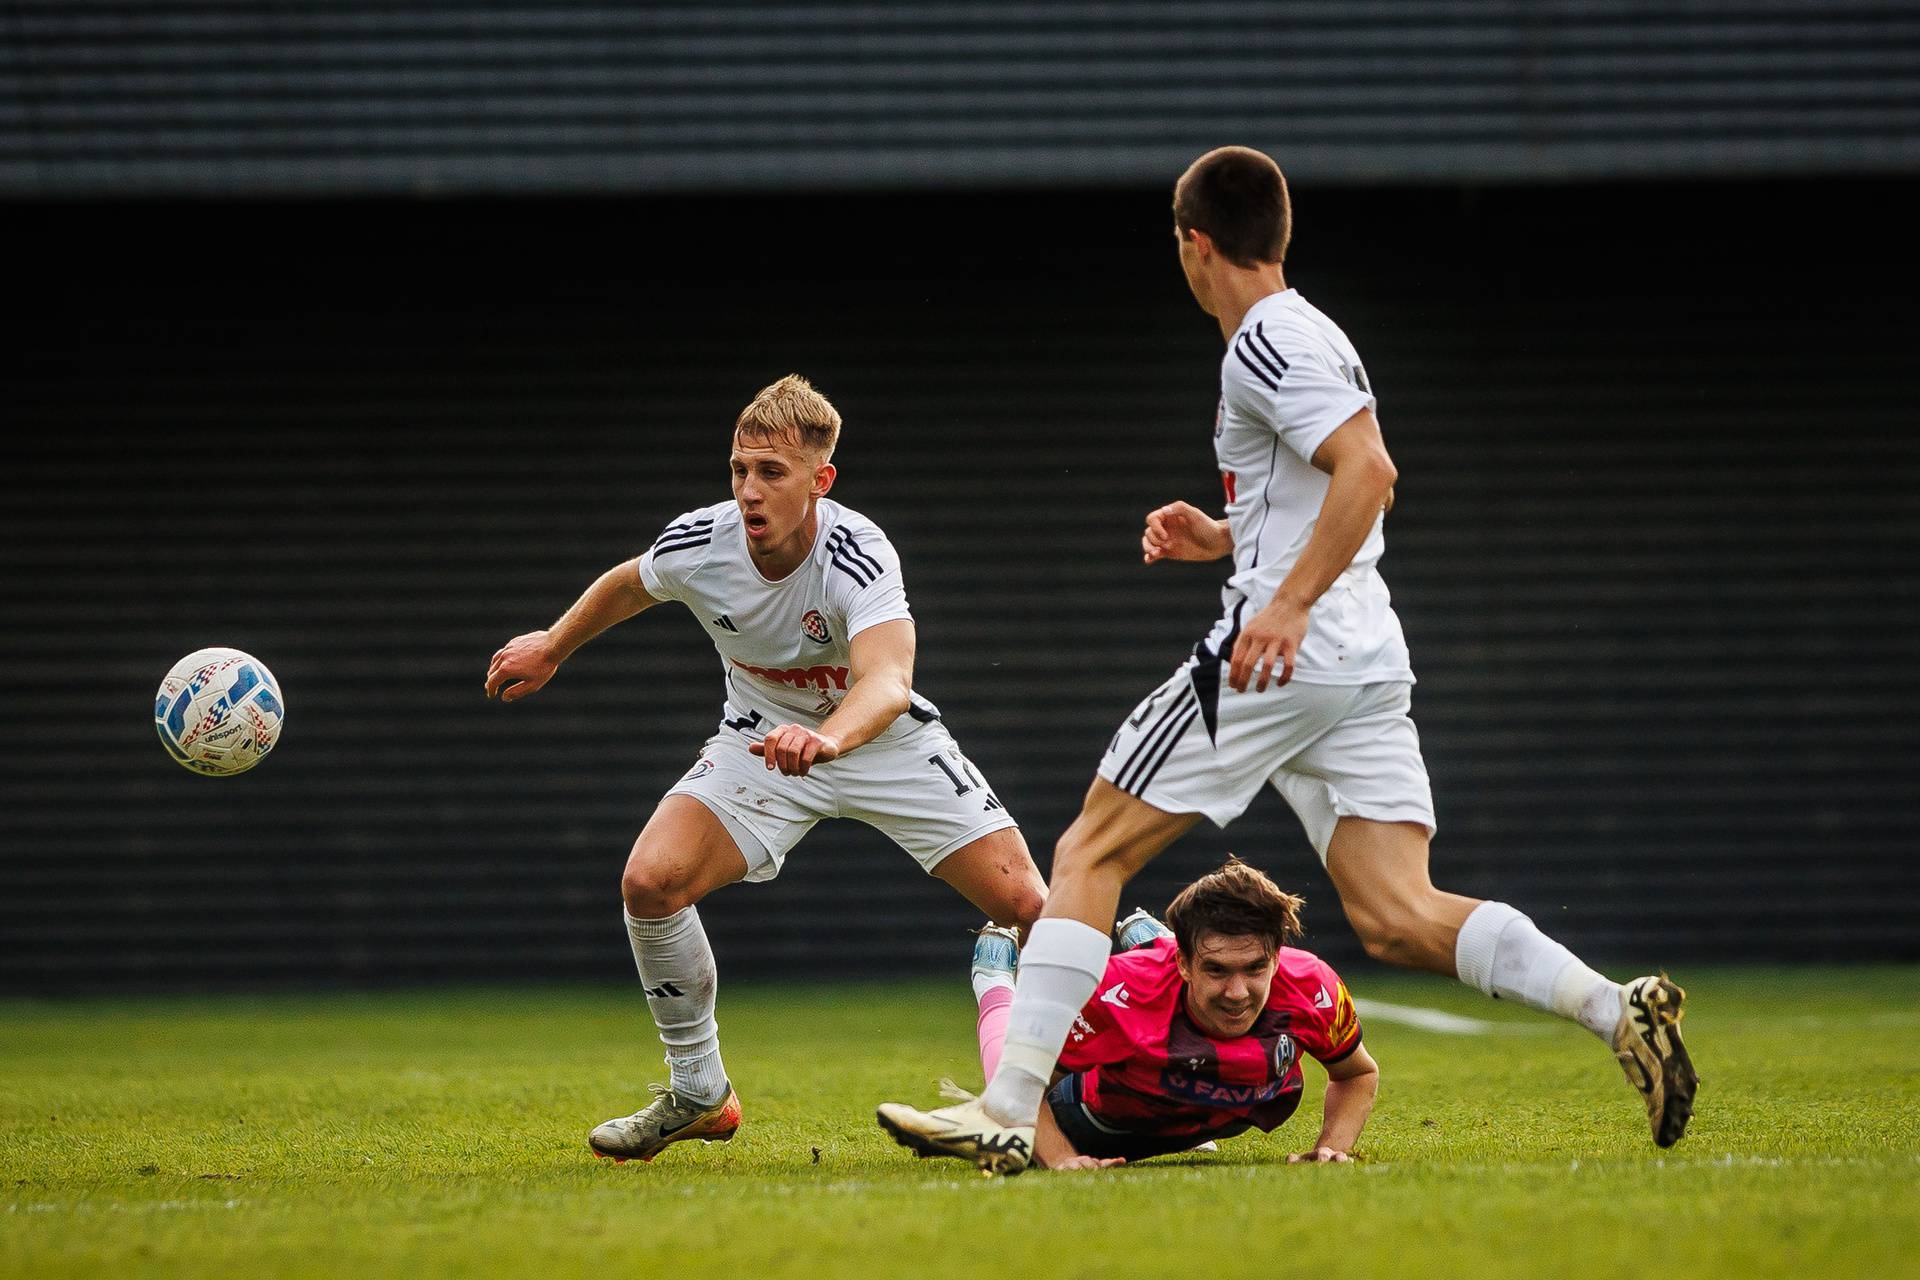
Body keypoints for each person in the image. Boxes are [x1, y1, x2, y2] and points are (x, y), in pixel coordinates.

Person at [876, 147, 1695, 1175]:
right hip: (1361, 657)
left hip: (1284, 653)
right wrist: (1227, 534)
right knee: (1399, 912)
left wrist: (1285, 599)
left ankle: (1006, 1105)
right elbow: (1324, 487)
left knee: (1089, 851)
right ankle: (1608, 1004)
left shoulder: (1262, 339)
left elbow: (1370, 471)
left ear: (1195, 243)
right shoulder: (1312, 333)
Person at [487, 374, 1046, 1163]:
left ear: (821, 482)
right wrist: (552, 642)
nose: (750, 491)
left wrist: (829, 741)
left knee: (1029, 900)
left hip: (884, 746)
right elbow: (631, 582)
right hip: (759, 745)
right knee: (650, 881)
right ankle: (698, 1093)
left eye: (772, 473)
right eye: (739, 469)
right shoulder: (703, 541)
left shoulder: (857, 552)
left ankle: (1087, 1094)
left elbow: (888, 683)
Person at [885, 860, 1377, 1170]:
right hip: (1097, 1113)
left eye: (1255, 968)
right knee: (1007, 1092)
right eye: (1216, 968)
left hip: (1196, 1112)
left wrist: (1334, 1145)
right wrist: (1061, 1159)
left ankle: (1151, 939)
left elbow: (1357, 1075)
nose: (1237, 992)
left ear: (1275, 956)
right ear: (1186, 962)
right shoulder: (1116, 994)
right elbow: (1025, 1088)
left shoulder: (1312, 985)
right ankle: (993, 983)